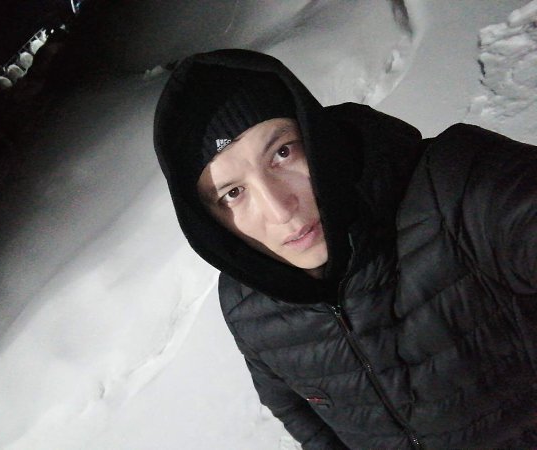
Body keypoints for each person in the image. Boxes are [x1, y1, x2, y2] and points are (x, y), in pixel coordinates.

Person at [153, 49, 537, 449]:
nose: (280, 210)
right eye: (233, 193)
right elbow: (294, 409)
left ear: (316, 137)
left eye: (282, 153)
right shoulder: (245, 303)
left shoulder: (459, 186)